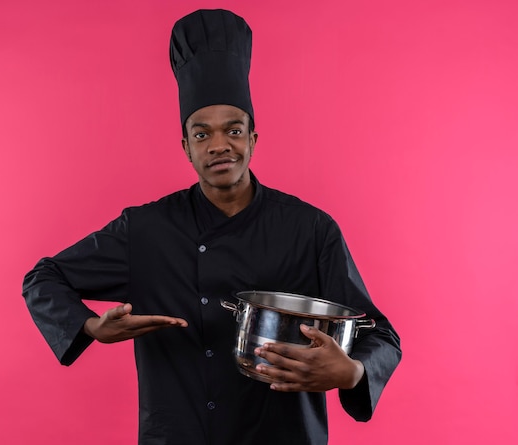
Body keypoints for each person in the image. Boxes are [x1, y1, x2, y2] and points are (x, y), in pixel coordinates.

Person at [22, 9, 401, 445]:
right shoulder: (145, 230)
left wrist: (352, 371)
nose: (220, 145)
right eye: (202, 135)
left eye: (234, 130)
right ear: (185, 146)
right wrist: (90, 326)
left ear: (253, 138)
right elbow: (43, 278)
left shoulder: (310, 229)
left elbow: (380, 334)